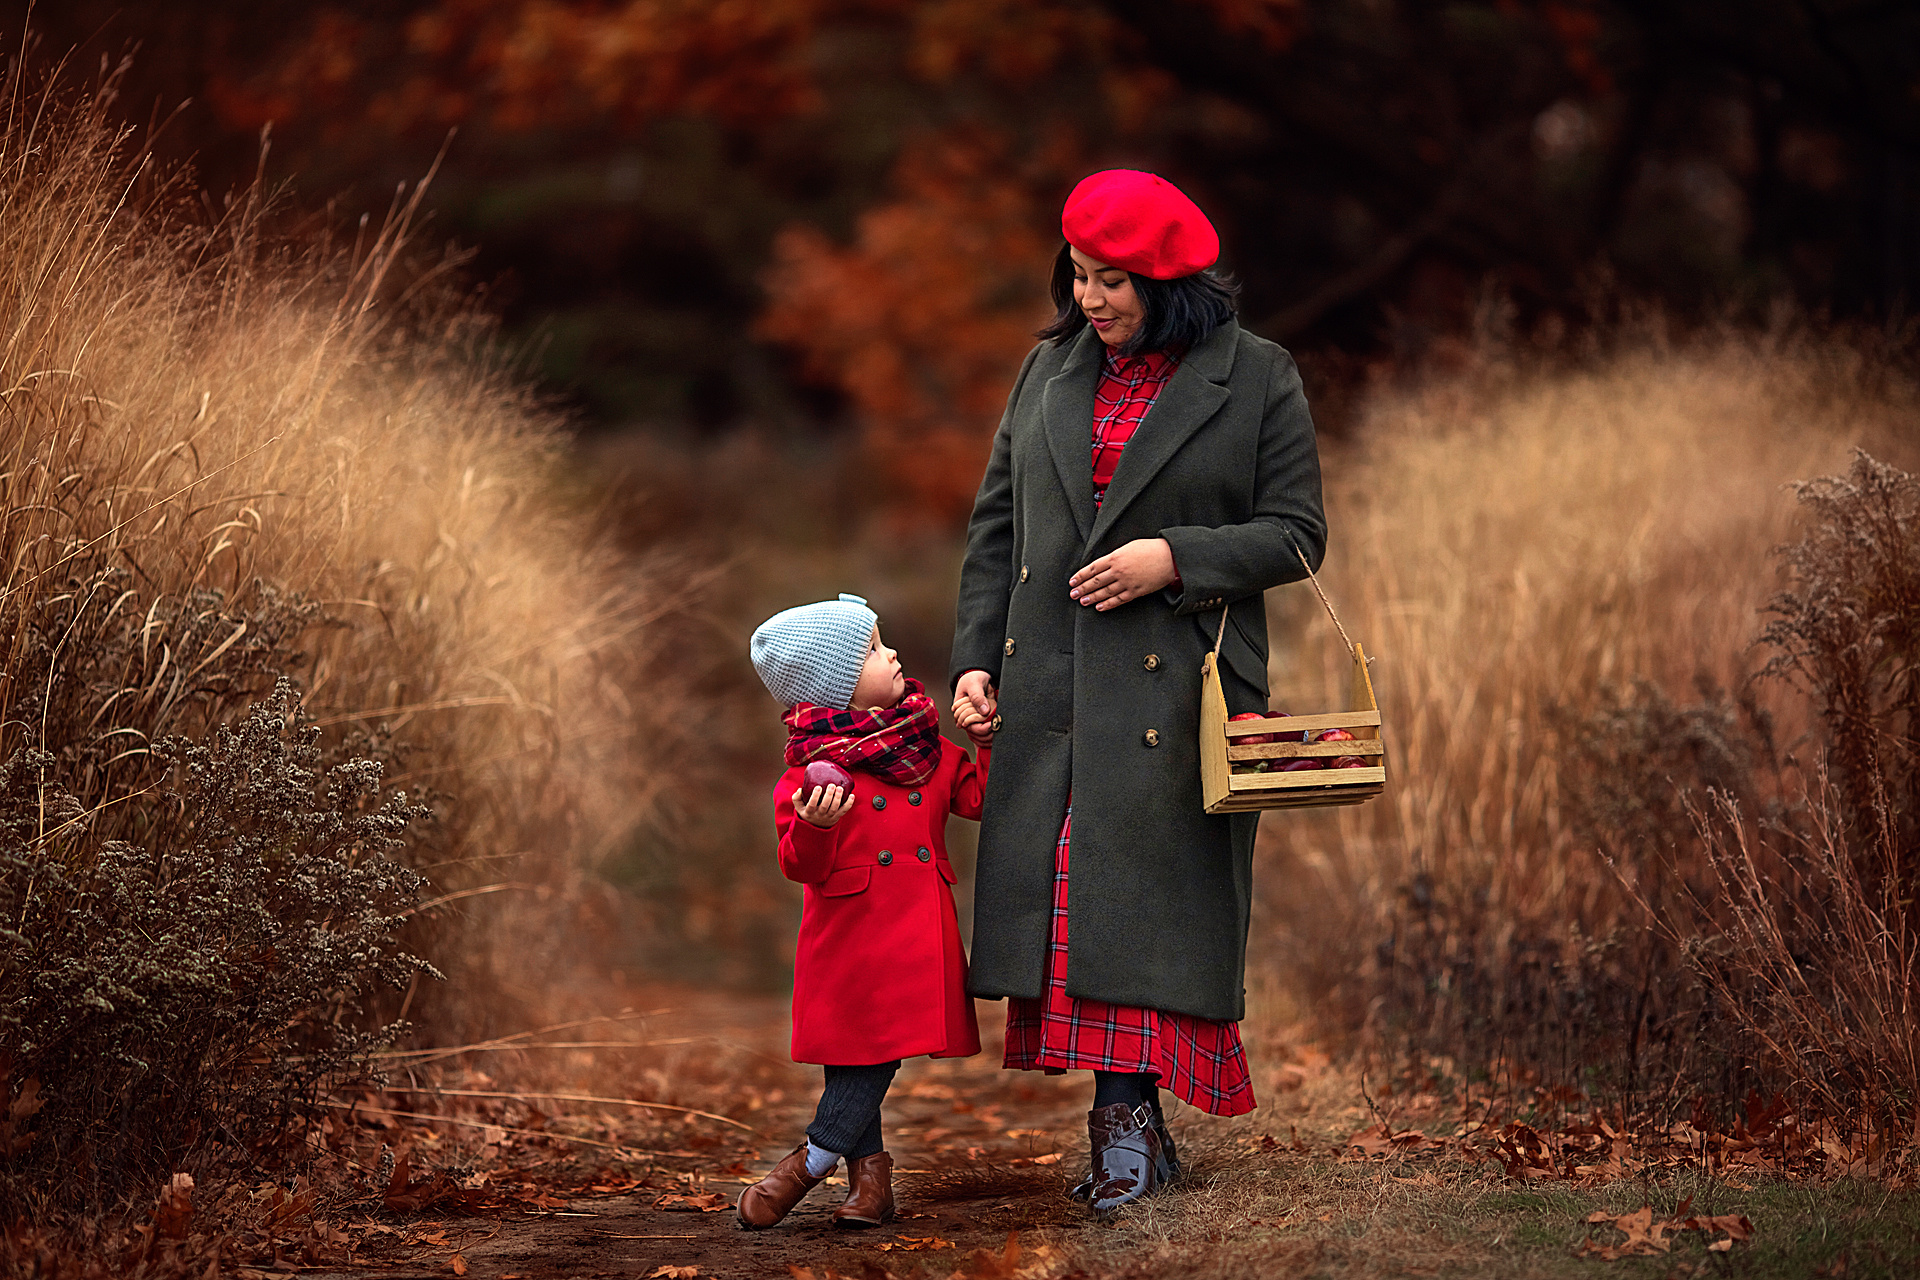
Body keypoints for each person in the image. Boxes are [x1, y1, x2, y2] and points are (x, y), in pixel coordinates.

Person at [950, 169, 1327, 1214]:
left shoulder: (1257, 376)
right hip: (1054, 688)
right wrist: (976, 662)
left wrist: (1175, 556)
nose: (1089, 300)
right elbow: (996, 532)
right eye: (1077, 274)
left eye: (1112, 280)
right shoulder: (1046, 373)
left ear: (1171, 283)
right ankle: (1131, 1123)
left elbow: (1298, 532)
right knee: (1074, 895)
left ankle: (1125, 1124)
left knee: (1134, 905)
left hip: (1183, 690)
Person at [738, 593, 995, 1230]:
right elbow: (801, 866)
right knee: (855, 1048)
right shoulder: (806, 776)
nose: (894, 653)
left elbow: (980, 797)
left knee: (875, 1050)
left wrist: (982, 741)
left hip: (913, 932)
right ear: (836, 688)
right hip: (845, 933)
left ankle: (812, 1160)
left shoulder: (925, 749)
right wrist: (816, 827)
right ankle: (871, 1184)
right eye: (875, 650)